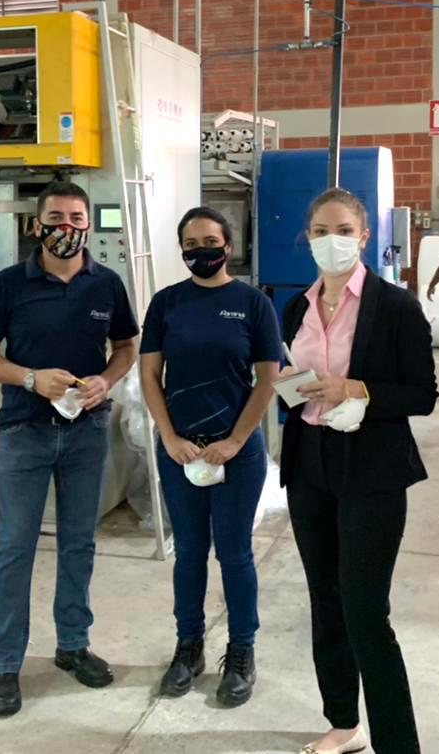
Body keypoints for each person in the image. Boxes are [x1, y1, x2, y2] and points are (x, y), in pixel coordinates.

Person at [0, 180, 139, 718]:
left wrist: (106, 381)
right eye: (57, 218)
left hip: (87, 432)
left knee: (78, 544)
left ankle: (72, 645)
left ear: (88, 224)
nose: (67, 227)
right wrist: (30, 378)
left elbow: (127, 346)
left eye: (77, 218)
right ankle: (4, 664)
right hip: (25, 431)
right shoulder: (10, 284)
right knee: (14, 548)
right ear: (36, 224)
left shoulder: (106, 284)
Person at [280, 188, 437, 754]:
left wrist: (356, 389)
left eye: (344, 231)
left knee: (366, 610)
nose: (333, 241)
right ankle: (344, 724)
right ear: (307, 237)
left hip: (372, 469)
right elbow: (292, 379)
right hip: (310, 465)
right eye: (321, 231)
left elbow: (422, 394)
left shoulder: (394, 307)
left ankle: (398, 744)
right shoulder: (295, 308)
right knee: (325, 600)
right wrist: (289, 388)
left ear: (365, 237)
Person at [140, 207, 281, 706]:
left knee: (235, 553)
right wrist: (169, 436)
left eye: (210, 241)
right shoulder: (166, 304)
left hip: (236, 451)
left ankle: (241, 652)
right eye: (191, 243)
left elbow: (267, 380)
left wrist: (236, 441)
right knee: (189, 552)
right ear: (182, 249)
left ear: (228, 246)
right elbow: (149, 376)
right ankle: (188, 647)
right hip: (180, 450)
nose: (201, 250)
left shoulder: (252, 304)